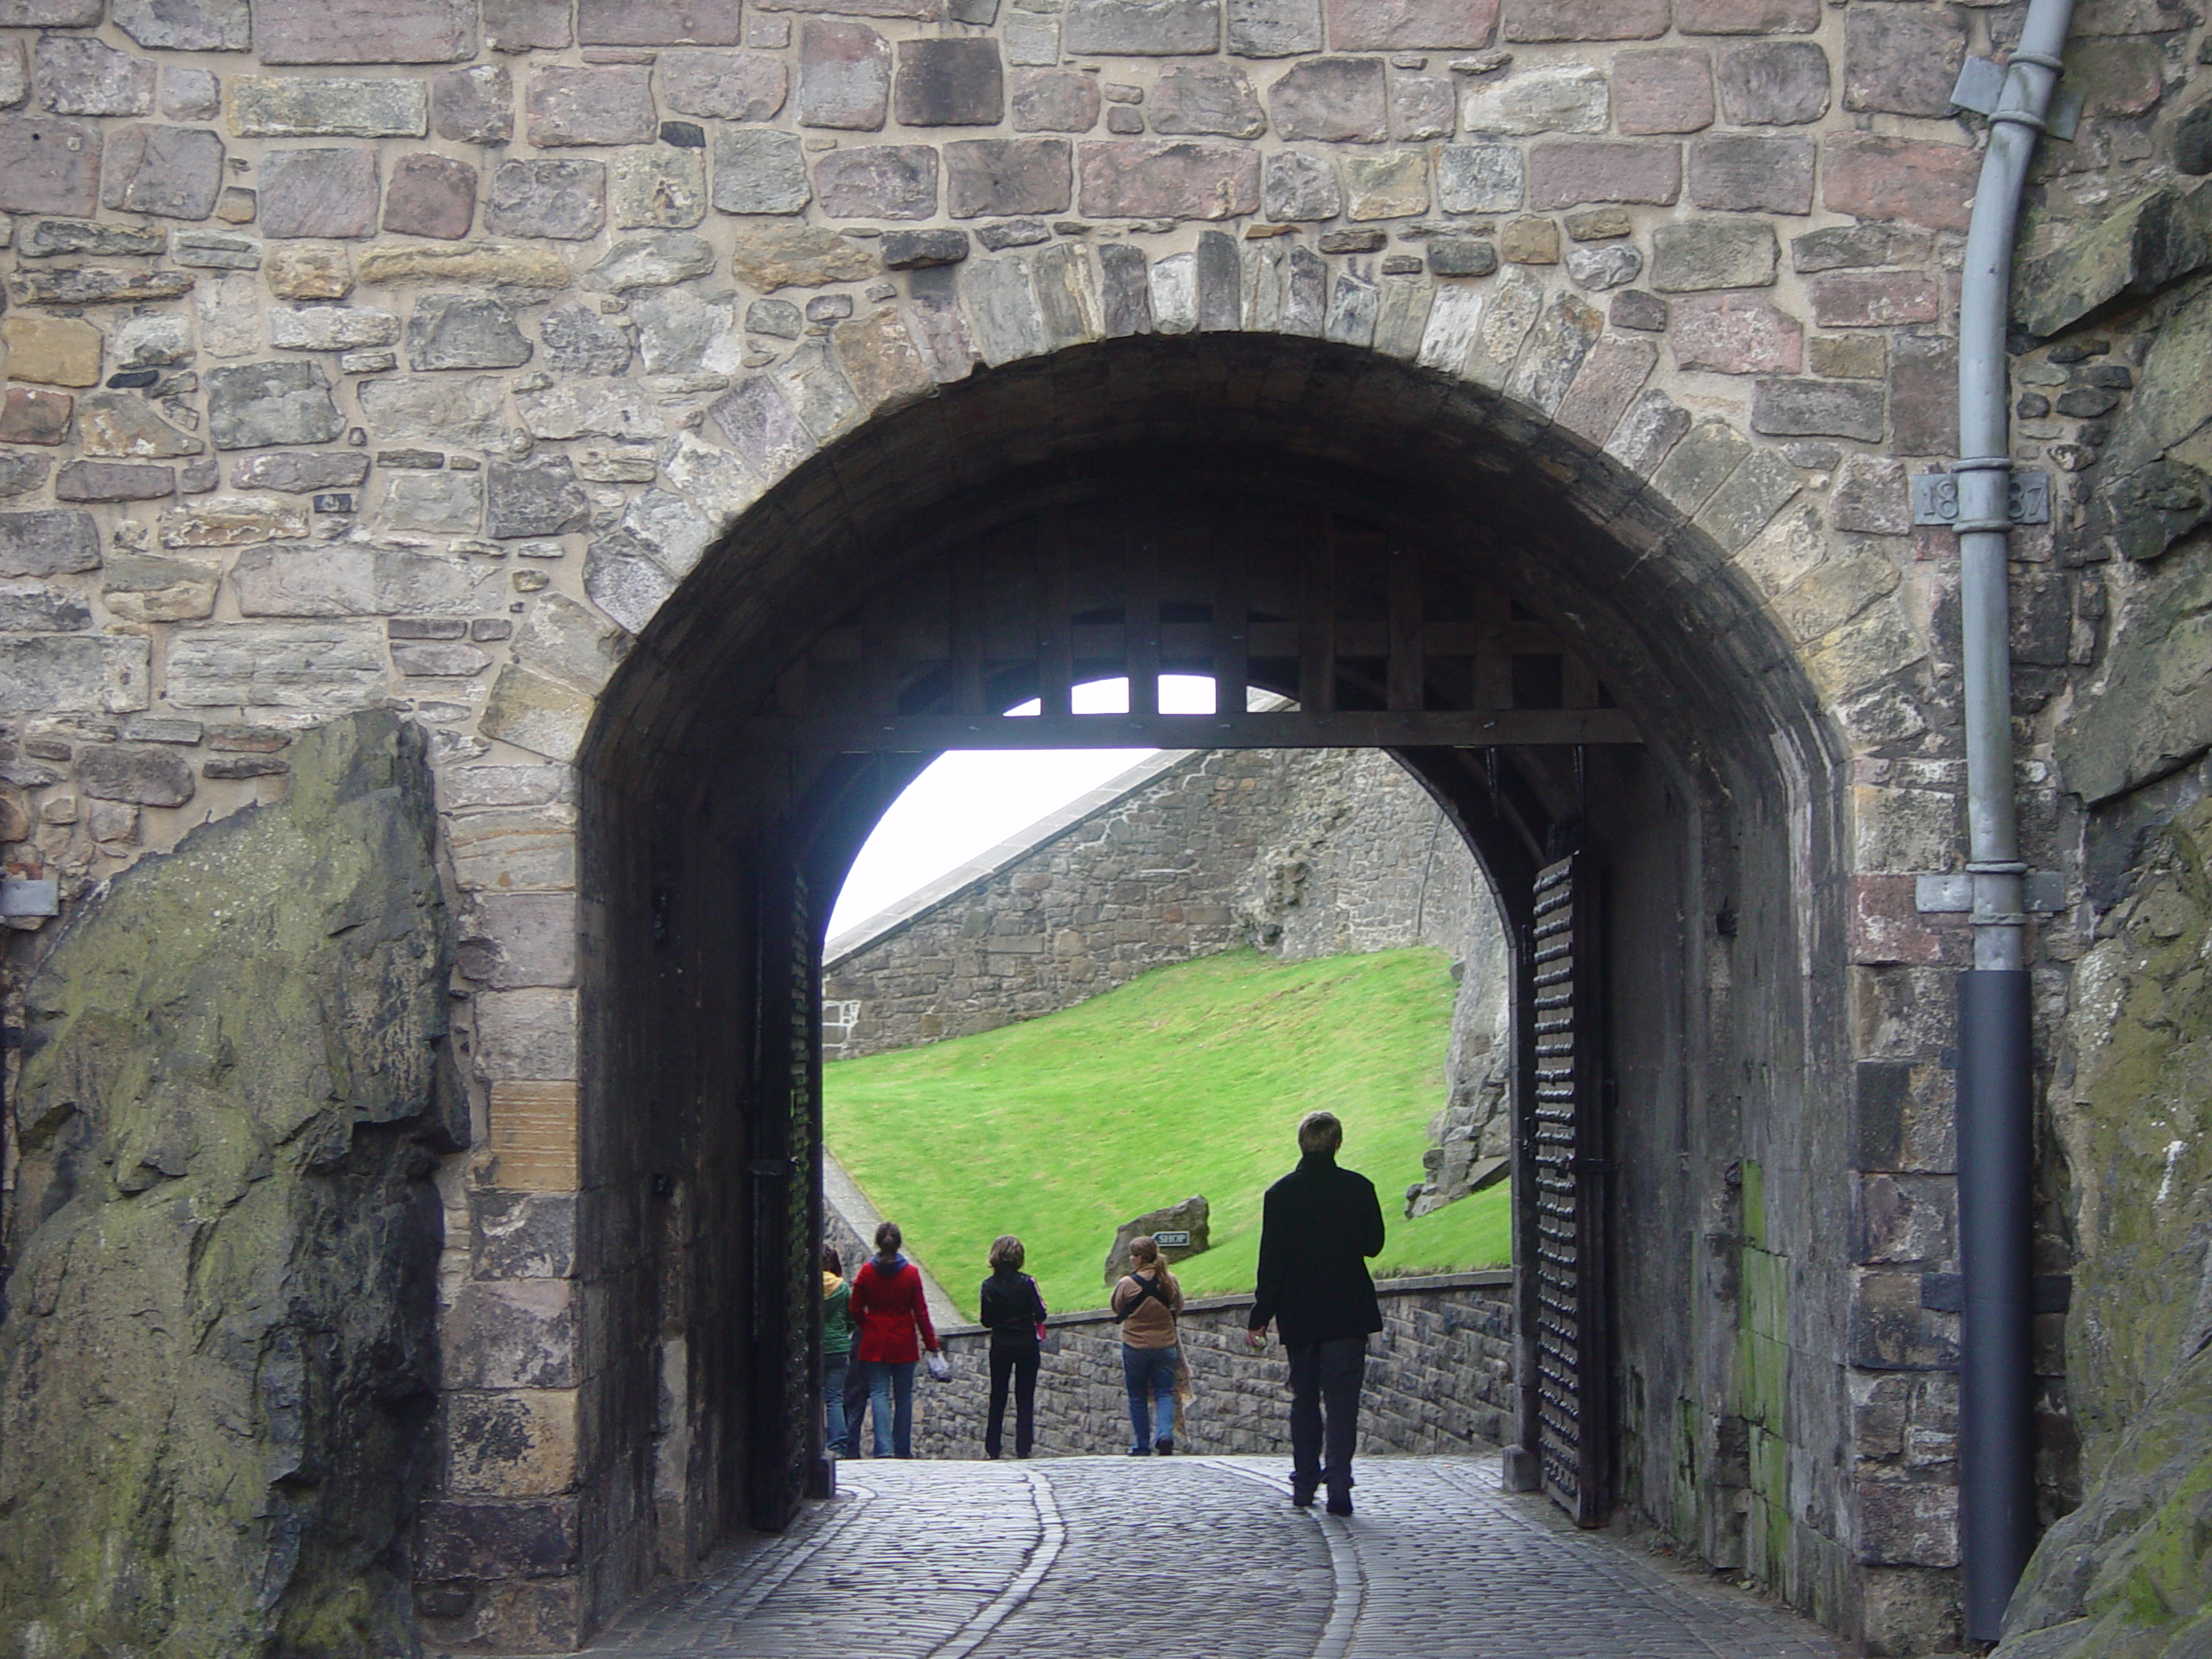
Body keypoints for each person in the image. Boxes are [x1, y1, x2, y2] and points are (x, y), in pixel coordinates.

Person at [1247, 1110, 1385, 1516]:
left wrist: (1260, 1315)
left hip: (1300, 1311)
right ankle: (1339, 1481)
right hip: (1347, 1308)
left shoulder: (1281, 1194)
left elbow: (1271, 1262)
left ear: (1301, 1142)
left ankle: (1304, 1482)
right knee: (1343, 1400)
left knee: (1305, 1399)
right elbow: (1373, 1244)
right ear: (1337, 1143)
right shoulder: (1358, 1188)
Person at [849, 1220, 941, 1459]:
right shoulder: (911, 1274)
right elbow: (921, 1313)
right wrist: (932, 1346)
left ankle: (884, 1448)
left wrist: (868, 1325)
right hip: (903, 1341)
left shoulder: (867, 1272)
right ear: (899, 1244)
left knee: (879, 1393)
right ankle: (902, 1448)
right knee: (904, 1395)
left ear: (878, 1243)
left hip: (875, 1340)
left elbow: (855, 1307)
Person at [1111, 1235, 1185, 1456]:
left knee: (1137, 1395)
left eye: (1132, 1256)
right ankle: (1164, 1435)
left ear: (1138, 1258)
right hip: (1165, 1345)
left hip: (1134, 1346)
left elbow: (1117, 1308)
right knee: (1165, 1391)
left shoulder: (1127, 1284)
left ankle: (1141, 1445)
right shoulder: (1169, 1279)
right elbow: (1179, 1307)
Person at [978, 1234, 1048, 1459]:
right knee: (1025, 1397)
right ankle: (1023, 1446)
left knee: (997, 1395)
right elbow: (1041, 1313)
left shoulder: (988, 1285)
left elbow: (986, 1320)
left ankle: (993, 1447)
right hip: (1026, 1343)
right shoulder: (1027, 1283)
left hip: (1000, 1344)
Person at [822, 1245, 856, 1457]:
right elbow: (852, 1318)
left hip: (814, 1349)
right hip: (838, 1349)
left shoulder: (806, 1284)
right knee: (834, 1399)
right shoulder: (843, 1288)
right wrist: (844, 1332)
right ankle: (838, 1445)